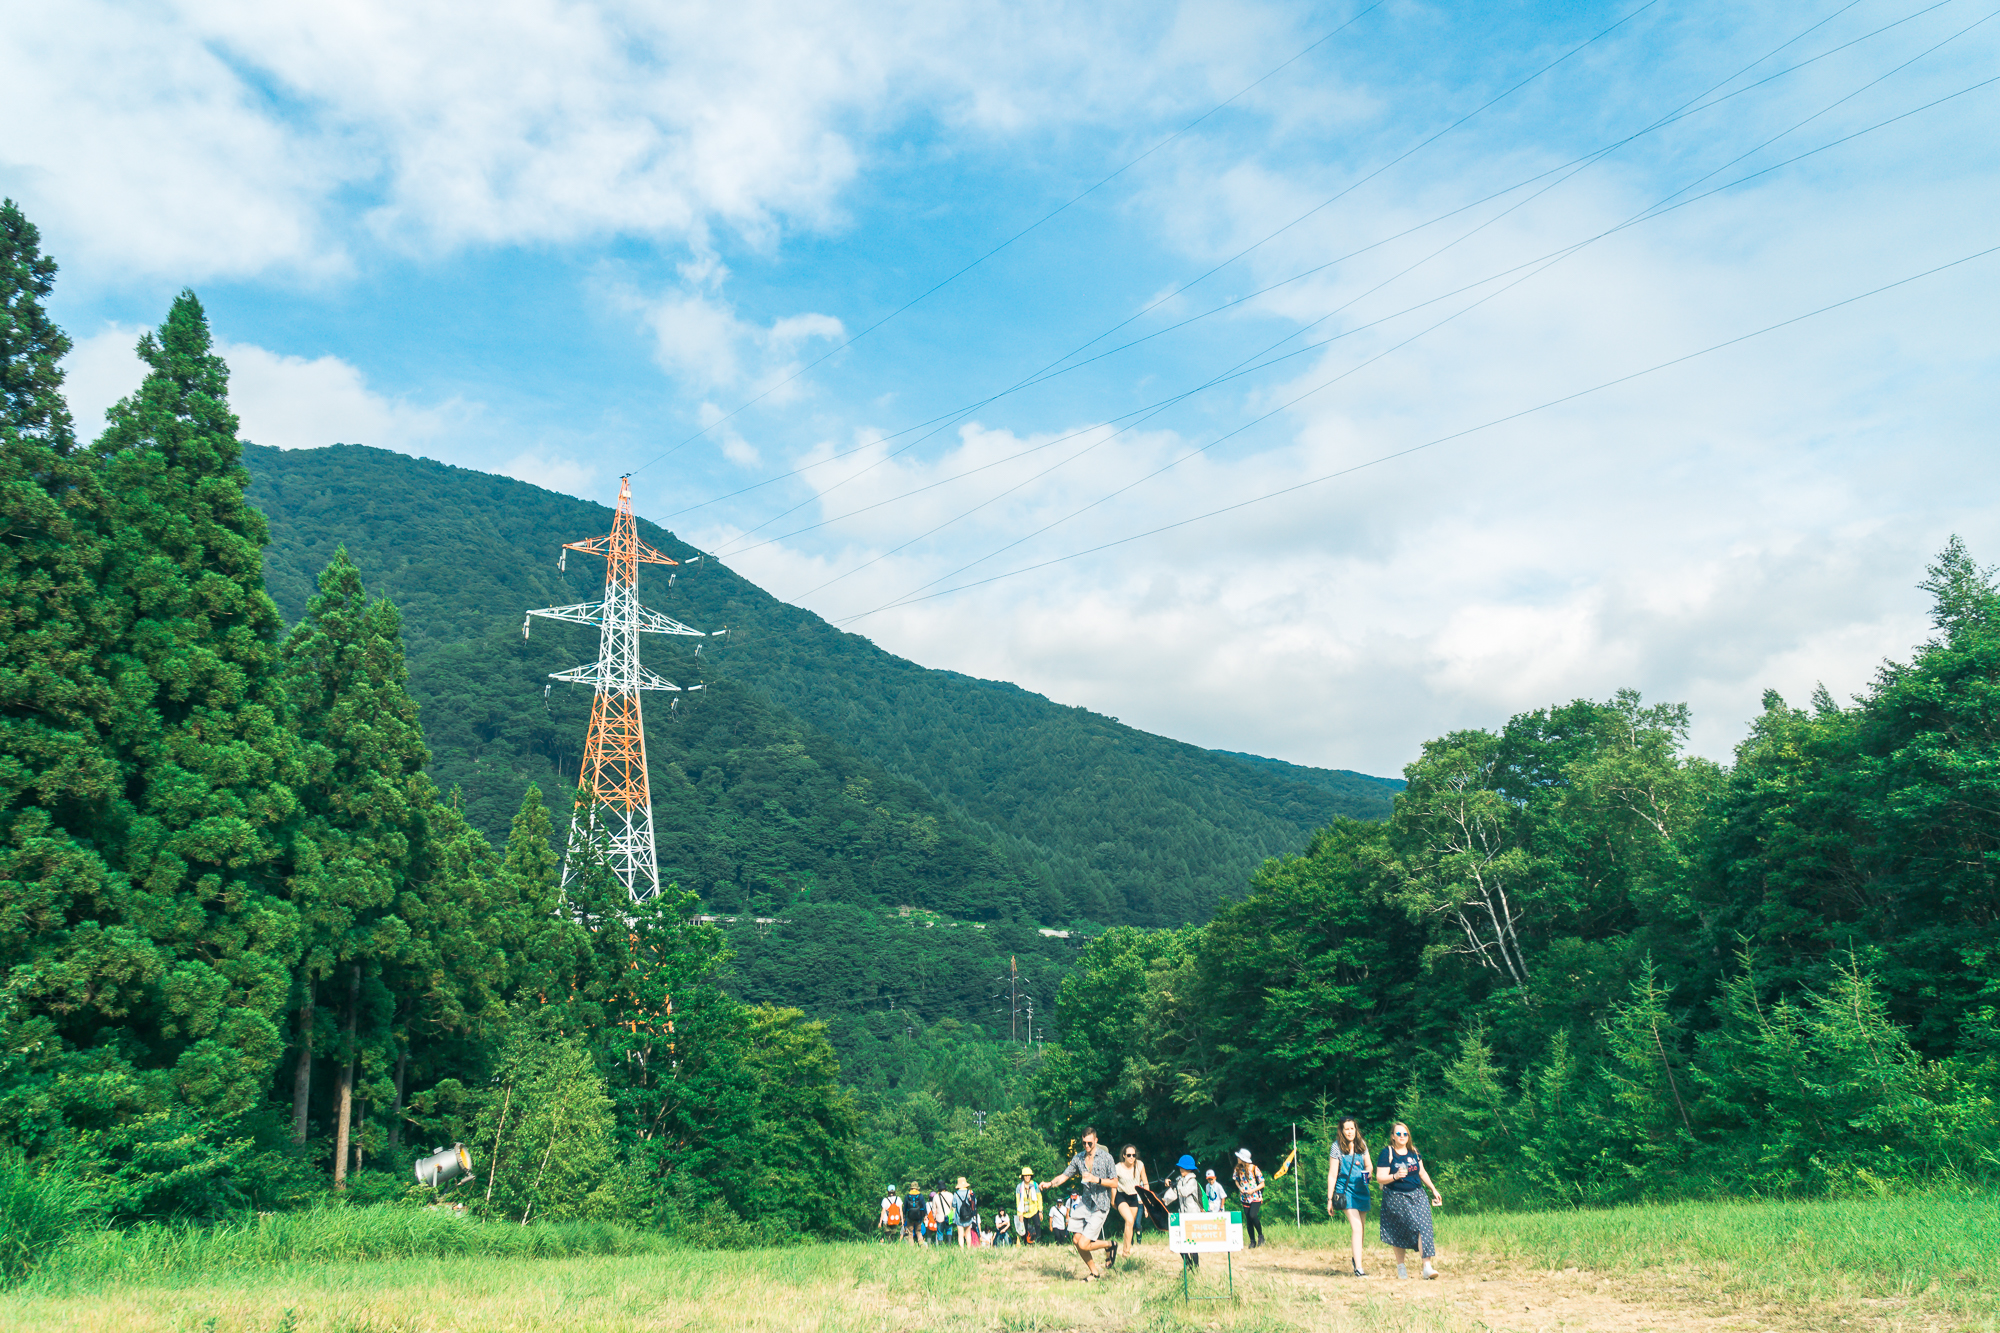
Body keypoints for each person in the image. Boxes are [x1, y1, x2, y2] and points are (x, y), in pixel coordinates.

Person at [1043, 1127, 1120, 1281]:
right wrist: (1050, 1183)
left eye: (1089, 1143)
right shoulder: (1078, 1158)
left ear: (1096, 1141)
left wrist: (1095, 1179)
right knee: (1076, 1241)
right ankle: (1094, 1273)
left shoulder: (1106, 1158)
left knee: (1084, 1244)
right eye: (1084, 1143)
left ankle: (1110, 1245)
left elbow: (1114, 1183)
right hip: (1084, 1204)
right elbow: (1064, 1175)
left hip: (1100, 1205)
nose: (1086, 1146)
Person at [1375, 1122, 1443, 1279]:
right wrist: (1395, 1176)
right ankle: (1401, 1267)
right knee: (1399, 1231)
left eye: (1405, 1134)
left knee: (1424, 1226)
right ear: (1392, 1136)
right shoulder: (1387, 1153)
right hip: (1396, 1197)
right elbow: (1380, 1177)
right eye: (1398, 1134)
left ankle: (1427, 1266)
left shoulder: (1414, 1152)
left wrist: (1433, 1189)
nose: (1402, 1137)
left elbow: (1422, 1172)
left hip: (1418, 1195)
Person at [1325, 1117, 1372, 1277]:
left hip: (1362, 1189)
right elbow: (1332, 1174)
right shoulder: (1336, 1147)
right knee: (1356, 1227)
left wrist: (1369, 1173)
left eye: (1352, 1128)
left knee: (1362, 1229)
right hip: (1345, 1191)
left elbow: (1369, 1165)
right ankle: (1359, 1268)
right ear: (1342, 1131)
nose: (1350, 1132)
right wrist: (1330, 1199)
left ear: (1356, 1129)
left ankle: (1356, 1258)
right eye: (1346, 1129)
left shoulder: (1362, 1144)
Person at [1162, 1153, 1205, 1272]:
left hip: (1193, 1215)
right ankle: (1188, 1264)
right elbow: (1174, 1194)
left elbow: (1184, 1192)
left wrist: (1174, 1185)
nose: (1181, 1170)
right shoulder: (1180, 1181)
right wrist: (1164, 1200)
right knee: (1180, 1242)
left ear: (1189, 1169)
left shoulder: (1192, 1181)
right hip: (1182, 1215)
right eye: (1180, 1167)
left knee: (1192, 1244)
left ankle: (1196, 1268)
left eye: (1183, 1168)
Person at [1113, 1144, 1149, 1251]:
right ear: (1124, 1156)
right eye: (1129, 1155)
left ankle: (1126, 1250)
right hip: (1121, 1196)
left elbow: (1145, 1183)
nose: (1132, 1157)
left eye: (1134, 1155)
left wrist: (1146, 1201)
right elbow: (1113, 1185)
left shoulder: (1140, 1165)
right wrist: (1112, 1201)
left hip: (1133, 1196)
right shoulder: (1117, 1167)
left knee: (1130, 1224)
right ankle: (1126, 1252)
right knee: (1129, 1220)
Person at [1232, 1148, 1267, 1249]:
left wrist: (1253, 1190)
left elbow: (1262, 1183)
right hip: (1245, 1198)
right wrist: (1240, 1188)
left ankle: (1261, 1235)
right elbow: (1236, 1180)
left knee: (1252, 1215)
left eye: (1239, 1157)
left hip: (1255, 1196)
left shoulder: (1254, 1168)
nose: (1237, 1159)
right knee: (1248, 1219)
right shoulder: (1237, 1169)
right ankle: (1252, 1241)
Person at [1015, 1166, 1043, 1245]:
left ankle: (1038, 1242)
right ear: (1023, 1177)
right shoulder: (1019, 1187)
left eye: (1029, 1175)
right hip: (1023, 1211)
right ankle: (1025, 1243)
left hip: (1034, 1209)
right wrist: (1020, 1213)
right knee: (1024, 1228)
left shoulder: (1035, 1185)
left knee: (1037, 1225)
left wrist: (1040, 1211)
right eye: (1025, 1175)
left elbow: (1039, 1198)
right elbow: (1018, 1201)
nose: (1027, 1177)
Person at [954, 1177, 978, 1247]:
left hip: (959, 1216)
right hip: (968, 1215)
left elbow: (953, 1204)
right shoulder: (969, 1192)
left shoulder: (956, 1194)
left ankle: (961, 1249)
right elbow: (975, 1202)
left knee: (960, 1234)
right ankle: (968, 1247)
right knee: (968, 1233)